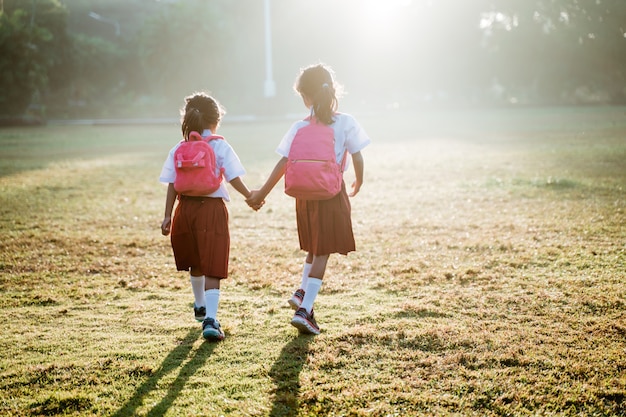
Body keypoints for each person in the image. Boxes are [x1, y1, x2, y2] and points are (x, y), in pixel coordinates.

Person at [246, 63, 371, 335]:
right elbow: (358, 155)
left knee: (313, 248)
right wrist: (359, 180)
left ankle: (302, 292)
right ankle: (305, 310)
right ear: (331, 91)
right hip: (330, 194)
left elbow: (283, 162)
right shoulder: (346, 122)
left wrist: (260, 194)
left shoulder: (298, 127)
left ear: (305, 97)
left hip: (304, 197)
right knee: (323, 251)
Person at [160, 92, 260, 342]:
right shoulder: (219, 145)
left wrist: (167, 216)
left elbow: (172, 183)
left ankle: (199, 304)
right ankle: (211, 320)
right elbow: (233, 176)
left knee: (196, 261)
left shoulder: (179, 147)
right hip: (212, 210)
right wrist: (250, 196)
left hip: (185, 210)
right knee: (213, 263)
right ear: (215, 120)